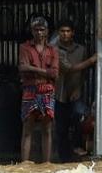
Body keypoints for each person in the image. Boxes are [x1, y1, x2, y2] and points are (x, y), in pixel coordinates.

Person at [54, 20, 97, 161]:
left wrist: (78, 89)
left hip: (76, 93)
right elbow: (68, 69)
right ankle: (63, 160)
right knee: (61, 129)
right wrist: (91, 61)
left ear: (72, 33)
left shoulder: (81, 50)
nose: (65, 34)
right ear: (58, 33)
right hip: (59, 94)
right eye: (62, 31)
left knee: (79, 118)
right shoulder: (54, 49)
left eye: (68, 31)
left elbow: (84, 74)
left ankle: (76, 150)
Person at [18, 16, 59, 163]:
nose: (39, 33)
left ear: (47, 31)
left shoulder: (52, 50)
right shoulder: (25, 47)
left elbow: (55, 73)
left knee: (47, 130)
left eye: (42, 30)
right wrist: (45, 72)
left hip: (47, 91)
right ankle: (24, 163)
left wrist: (32, 68)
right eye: (36, 30)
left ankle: (47, 163)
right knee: (27, 128)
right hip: (30, 90)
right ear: (32, 31)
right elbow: (22, 68)